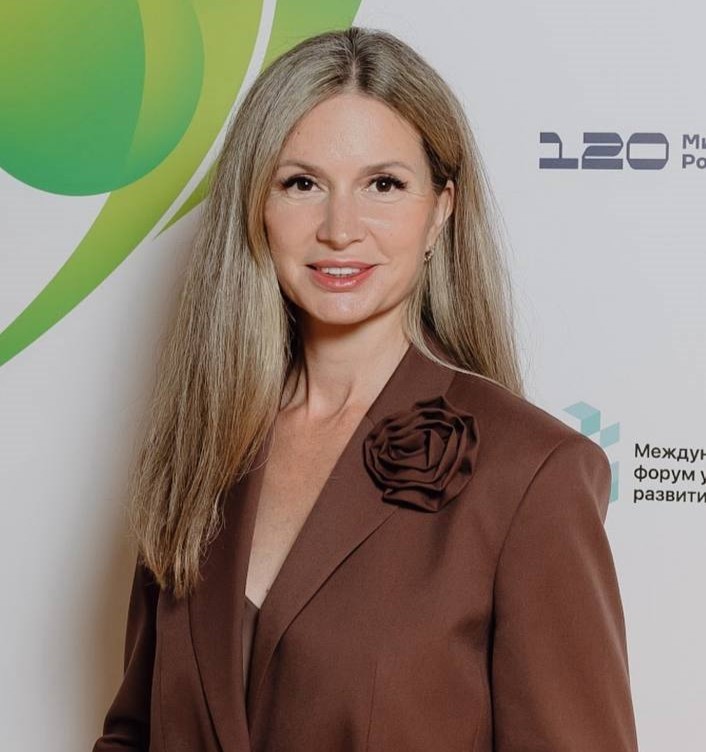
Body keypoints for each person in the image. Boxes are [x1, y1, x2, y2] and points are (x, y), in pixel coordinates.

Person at [92, 26, 639, 751]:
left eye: (383, 184)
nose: (340, 229)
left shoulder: (533, 474)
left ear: (440, 209)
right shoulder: (200, 446)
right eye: (302, 183)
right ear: (255, 206)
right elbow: (135, 733)